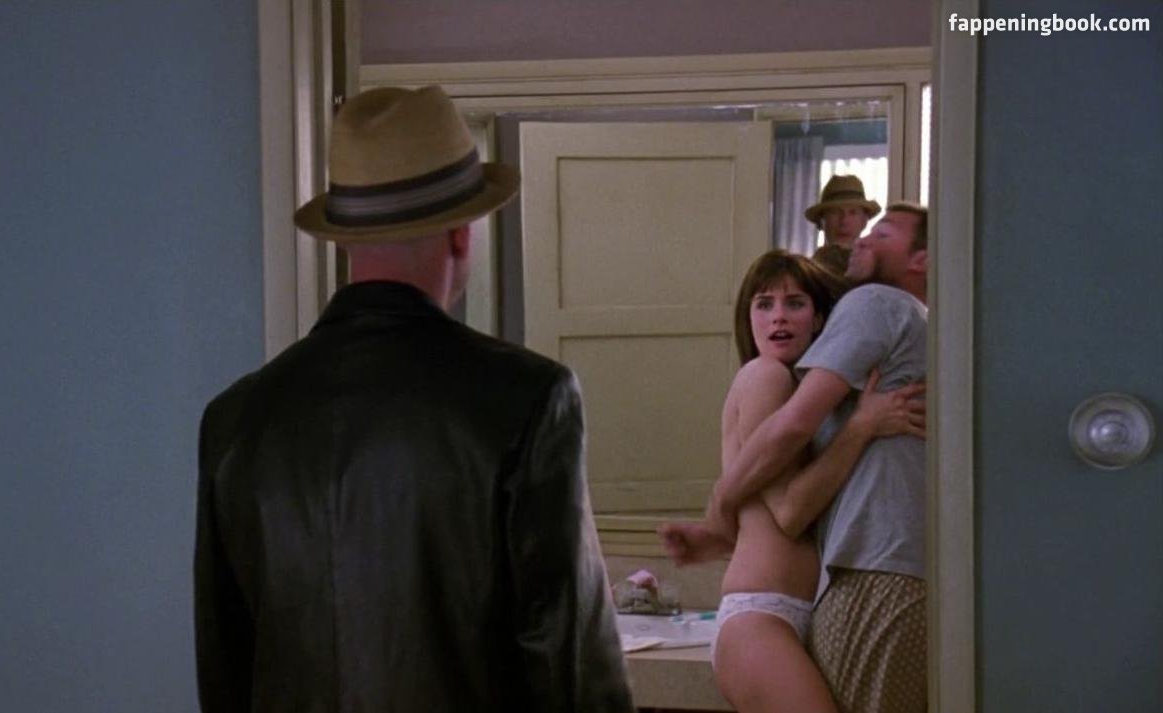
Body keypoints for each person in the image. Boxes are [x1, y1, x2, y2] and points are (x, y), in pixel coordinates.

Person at [193, 86, 634, 713]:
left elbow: (225, 671)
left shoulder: (235, 420)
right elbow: (569, 669)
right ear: (461, 234)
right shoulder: (527, 399)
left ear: (345, 239)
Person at [659, 251, 924, 713]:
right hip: (761, 614)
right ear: (748, 321)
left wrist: (717, 530)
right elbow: (789, 513)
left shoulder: (813, 397)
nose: (778, 316)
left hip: (799, 613)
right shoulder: (765, 377)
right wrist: (862, 427)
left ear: (819, 320)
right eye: (764, 304)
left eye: (795, 303)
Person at [805, 175, 881, 276]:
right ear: (821, 221)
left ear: (864, 221)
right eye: (835, 212)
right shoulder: (807, 274)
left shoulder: (878, 272)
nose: (844, 221)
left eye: (853, 212)